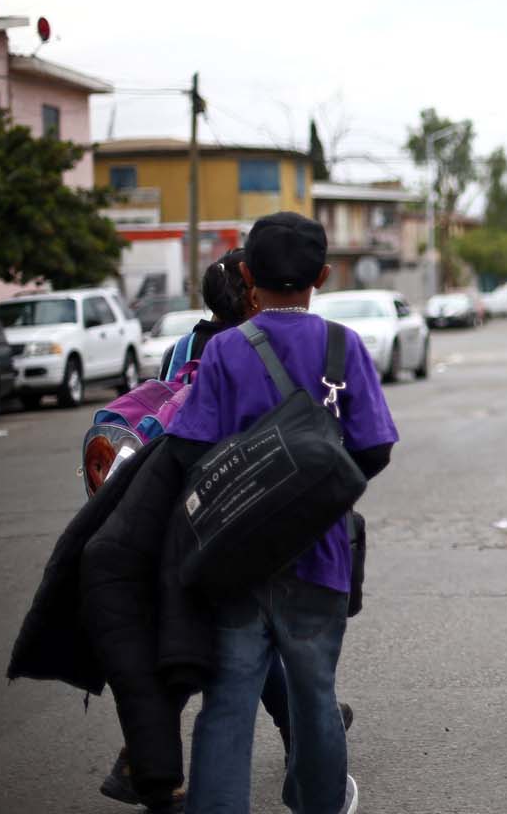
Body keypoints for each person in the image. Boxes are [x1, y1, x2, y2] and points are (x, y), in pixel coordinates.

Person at [171, 212, 397, 814]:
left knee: (226, 700)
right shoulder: (343, 346)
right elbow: (374, 447)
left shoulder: (223, 350)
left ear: (247, 275)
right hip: (320, 555)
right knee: (314, 694)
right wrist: (317, 496)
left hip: (234, 557)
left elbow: (190, 445)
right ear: (323, 275)